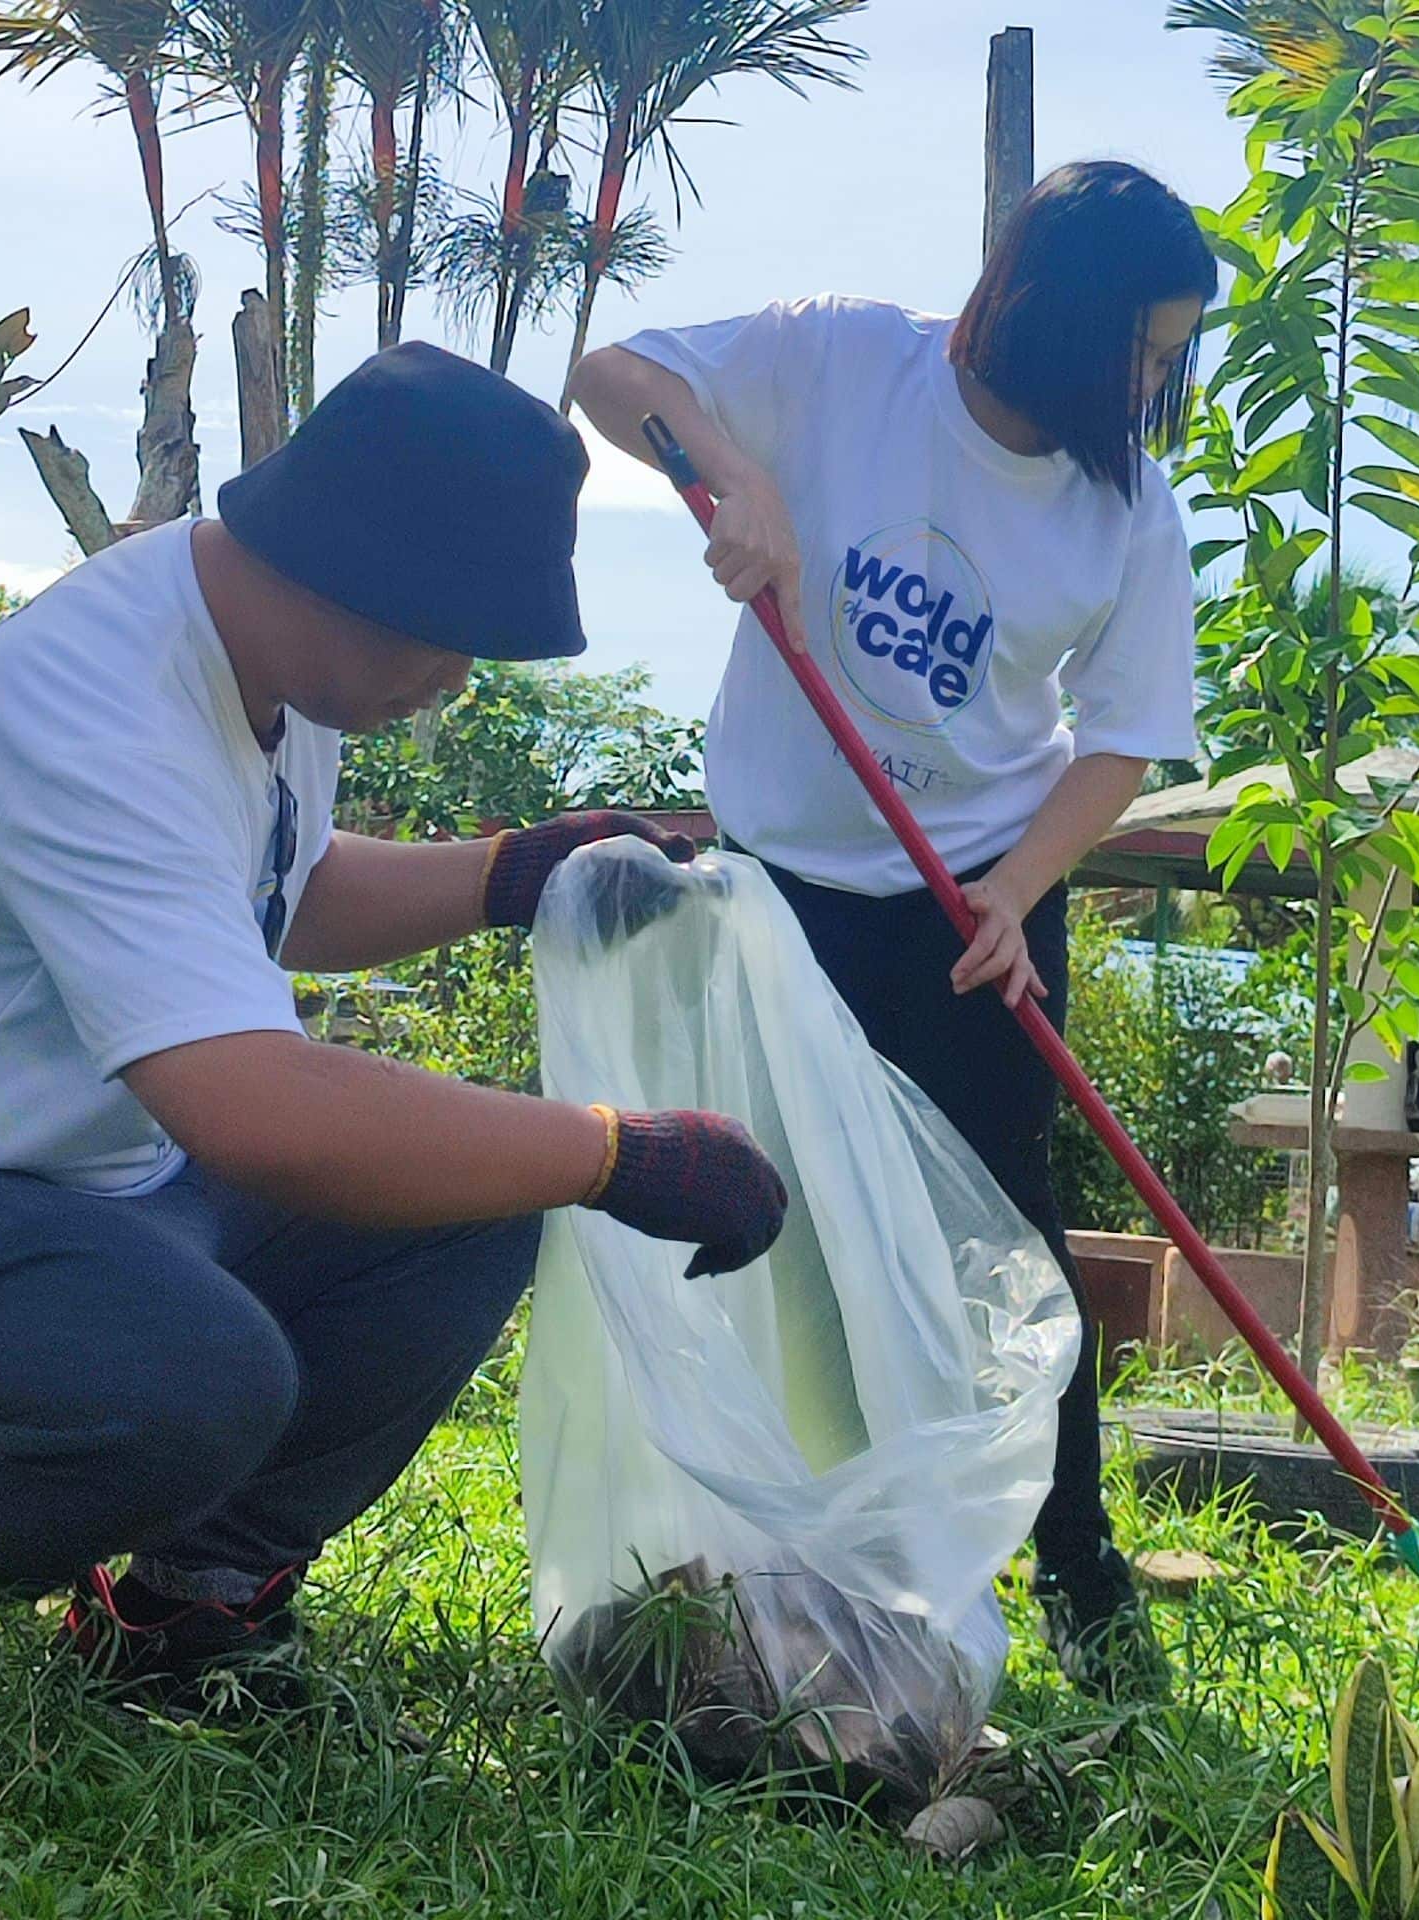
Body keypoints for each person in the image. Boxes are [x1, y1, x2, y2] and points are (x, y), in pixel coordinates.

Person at [0, 343, 791, 1725]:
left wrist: (513, 869)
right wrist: (620, 1154)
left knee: (464, 1208)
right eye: (443, 633)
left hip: (73, 1193)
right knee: (190, 1383)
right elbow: (253, 1111)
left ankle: (181, 1613)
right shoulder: (98, 712)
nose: (452, 677)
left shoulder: (258, 660)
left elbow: (292, 891)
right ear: (345, 565)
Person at [570, 159, 1218, 1701]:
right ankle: (769, 1544)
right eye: (1138, 351)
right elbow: (611, 372)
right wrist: (744, 477)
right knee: (761, 1217)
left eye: (1168, 359)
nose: (1150, 387)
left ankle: (1077, 1566)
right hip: (779, 893)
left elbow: (1122, 739)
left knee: (1014, 1236)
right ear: (1048, 314)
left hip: (968, 906)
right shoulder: (844, 357)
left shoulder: (1131, 517)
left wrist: (1019, 887)